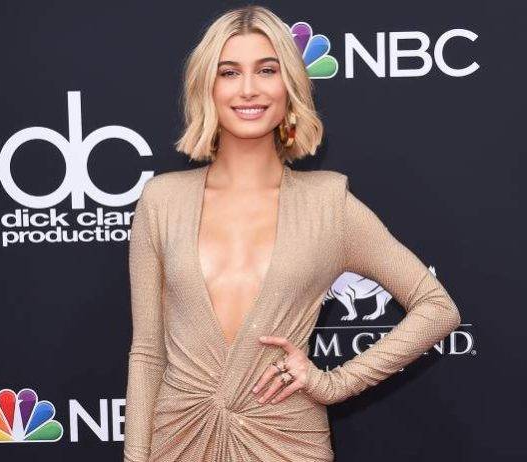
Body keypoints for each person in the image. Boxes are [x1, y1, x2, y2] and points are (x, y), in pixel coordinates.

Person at [123, 5, 461, 462]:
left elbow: (437, 308)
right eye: (229, 72)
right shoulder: (161, 200)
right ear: (207, 87)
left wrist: (335, 383)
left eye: (267, 70)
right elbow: (147, 353)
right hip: (178, 438)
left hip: (287, 439)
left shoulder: (328, 204)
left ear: (290, 87)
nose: (248, 89)